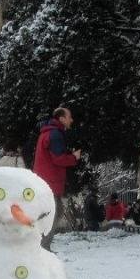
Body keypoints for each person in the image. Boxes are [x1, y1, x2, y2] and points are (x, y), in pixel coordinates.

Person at [33, 107, 81, 250]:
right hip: (50, 182)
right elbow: (58, 159)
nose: (71, 120)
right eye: (69, 117)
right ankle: (42, 248)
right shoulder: (55, 134)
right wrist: (74, 157)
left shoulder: (48, 132)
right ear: (61, 119)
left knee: (53, 212)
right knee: (54, 213)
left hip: (44, 180)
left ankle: (40, 247)